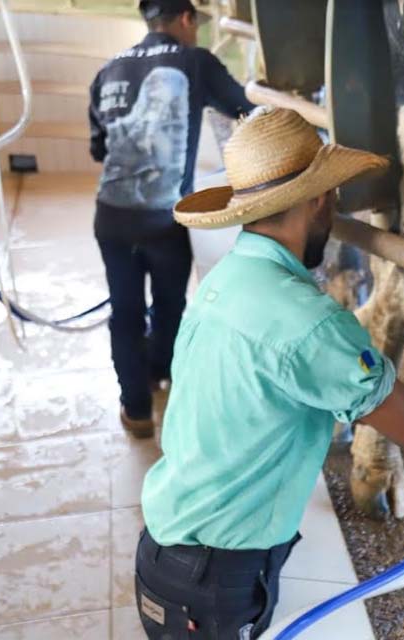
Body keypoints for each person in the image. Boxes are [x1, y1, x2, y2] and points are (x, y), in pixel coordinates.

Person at [134, 108, 404, 639]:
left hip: (170, 554)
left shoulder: (229, 281)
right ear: (320, 199)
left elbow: (380, 402)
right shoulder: (307, 321)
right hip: (213, 581)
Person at [88, 0, 255, 438]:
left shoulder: (109, 70)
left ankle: (136, 410)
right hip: (164, 222)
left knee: (125, 312)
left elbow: (100, 150)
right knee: (169, 305)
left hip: (112, 219)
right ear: (186, 19)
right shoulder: (194, 61)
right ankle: (160, 373)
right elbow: (246, 108)